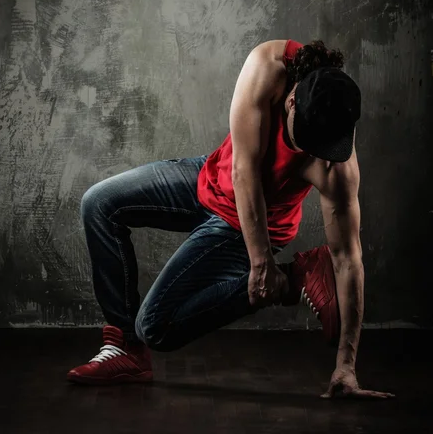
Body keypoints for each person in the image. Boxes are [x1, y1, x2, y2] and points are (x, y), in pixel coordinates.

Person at [68, 39, 394, 399]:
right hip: (213, 177)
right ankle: (127, 350)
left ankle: (290, 278)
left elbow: (348, 258)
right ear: (290, 101)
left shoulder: (337, 167)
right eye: (304, 140)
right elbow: (244, 171)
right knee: (98, 203)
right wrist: (260, 266)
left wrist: (346, 367)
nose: (311, 153)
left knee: (155, 327)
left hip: (249, 226)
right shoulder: (268, 66)